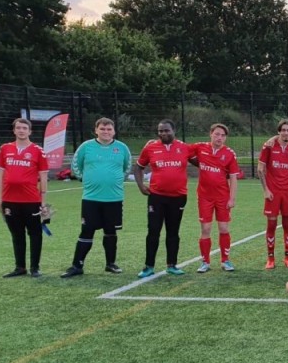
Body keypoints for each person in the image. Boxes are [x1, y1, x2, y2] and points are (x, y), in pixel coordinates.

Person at [61, 118, 132, 278]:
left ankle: (110, 264)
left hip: (114, 198)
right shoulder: (86, 147)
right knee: (87, 230)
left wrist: (116, 180)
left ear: (114, 131)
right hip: (91, 198)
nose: (106, 132)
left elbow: (127, 167)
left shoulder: (122, 148)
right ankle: (77, 266)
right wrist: (84, 179)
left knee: (111, 231)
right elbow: (75, 166)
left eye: (109, 129)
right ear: (96, 130)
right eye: (102, 129)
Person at [133, 119, 191, 278]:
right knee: (153, 231)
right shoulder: (150, 148)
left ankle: (172, 265)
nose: (163, 133)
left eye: (166, 130)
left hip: (178, 197)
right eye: (160, 131)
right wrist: (141, 186)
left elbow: (201, 162)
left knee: (173, 232)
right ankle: (148, 266)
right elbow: (138, 167)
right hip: (156, 197)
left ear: (174, 131)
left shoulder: (184, 147)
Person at [0, 118, 49, 278]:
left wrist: (43, 202)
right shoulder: (5, 148)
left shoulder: (38, 150)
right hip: (10, 200)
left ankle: (35, 267)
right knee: (17, 234)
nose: (21, 130)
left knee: (35, 234)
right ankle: (20, 267)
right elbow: (0, 175)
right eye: (18, 128)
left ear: (30, 131)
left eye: (24, 128)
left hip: (31, 200)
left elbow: (43, 176)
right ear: (14, 130)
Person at [191, 123, 239, 273]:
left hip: (222, 197)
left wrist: (232, 198)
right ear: (210, 134)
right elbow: (181, 150)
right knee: (205, 229)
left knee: (223, 228)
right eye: (217, 134)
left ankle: (225, 261)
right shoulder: (200, 147)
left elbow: (233, 178)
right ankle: (205, 262)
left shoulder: (230, 153)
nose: (220, 137)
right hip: (204, 196)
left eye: (223, 135)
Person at [258, 119, 288, 269]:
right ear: (279, 131)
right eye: (283, 130)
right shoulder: (269, 146)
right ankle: (270, 258)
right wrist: (266, 190)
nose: (286, 133)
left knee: (287, 224)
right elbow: (260, 169)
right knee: (272, 224)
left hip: (287, 191)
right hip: (273, 192)